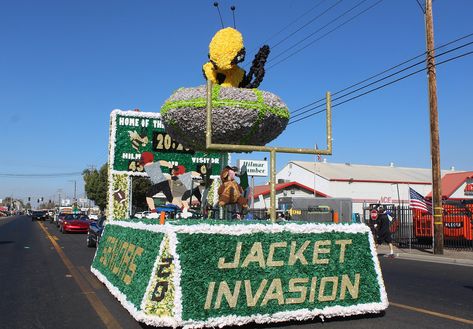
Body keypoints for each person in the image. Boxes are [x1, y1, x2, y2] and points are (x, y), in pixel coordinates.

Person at [140, 152, 173, 219]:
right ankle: (153, 211)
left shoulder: (148, 166)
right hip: (162, 183)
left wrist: (168, 165)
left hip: (160, 183)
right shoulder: (150, 165)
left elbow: (160, 162)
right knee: (170, 198)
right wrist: (169, 165)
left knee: (148, 195)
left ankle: (153, 211)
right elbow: (160, 162)